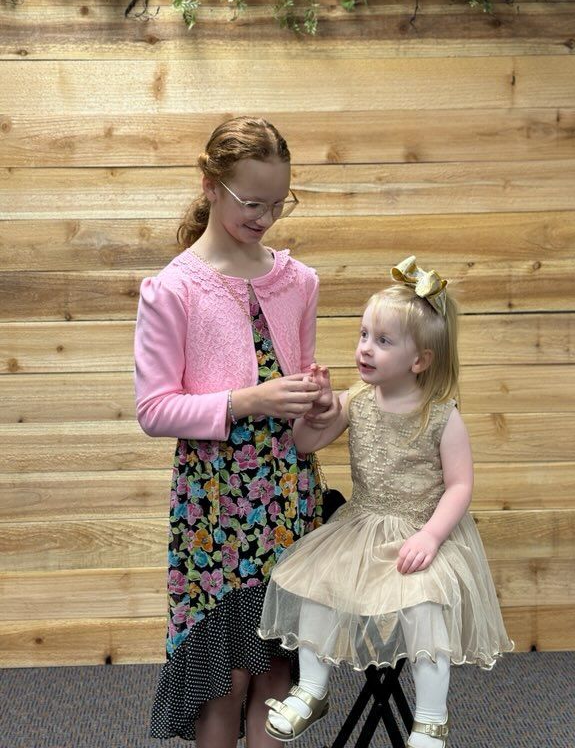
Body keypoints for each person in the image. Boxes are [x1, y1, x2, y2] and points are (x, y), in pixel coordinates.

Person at [134, 116, 338, 746]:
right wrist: (248, 400)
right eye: (252, 203)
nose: (265, 218)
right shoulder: (173, 289)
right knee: (218, 677)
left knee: (279, 667)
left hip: (285, 495)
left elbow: (302, 419)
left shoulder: (297, 282)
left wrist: (321, 410)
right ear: (210, 185)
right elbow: (154, 410)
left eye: (279, 203)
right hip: (215, 505)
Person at [259, 256, 514, 747]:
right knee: (316, 583)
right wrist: (317, 409)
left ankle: (431, 719)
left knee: (424, 607)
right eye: (363, 335)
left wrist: (432, 535)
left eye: (383, 341)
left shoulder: (441, 416)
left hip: (423, 532)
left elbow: (460, 485)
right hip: (363, 524)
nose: (365, 350)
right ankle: (311, 690)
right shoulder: (357, 399)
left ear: (419, 360)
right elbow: (307, 443)